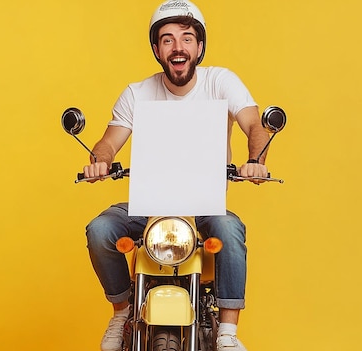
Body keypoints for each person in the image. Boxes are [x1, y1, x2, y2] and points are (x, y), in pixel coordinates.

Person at [82, 1, 269, 351]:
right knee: (100, 228)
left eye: (186, 38)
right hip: (148, 206)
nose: (178, 47)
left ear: (199, 47)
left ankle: (227, 332)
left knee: (230, 228)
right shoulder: (137, 93)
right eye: (167, 40)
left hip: (204, 204)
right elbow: (108, 143)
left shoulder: (220, 81)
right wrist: (100, 161)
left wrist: (255, 160)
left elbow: (254, 124)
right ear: (157, 50)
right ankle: (122, 313)